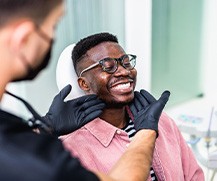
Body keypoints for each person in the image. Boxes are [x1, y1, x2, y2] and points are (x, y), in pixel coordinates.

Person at [0, 0, 170, 180]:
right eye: (54, 26)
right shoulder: (50, 157)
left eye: (126, 62)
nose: (122, 71)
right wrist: (146, 132)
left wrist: (44, 127)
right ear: (24, 38)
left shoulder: (15, 138)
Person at [58, 32, 205, 181]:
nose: (124, 71)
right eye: (108, 66)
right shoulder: (72, 149)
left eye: (126, 63)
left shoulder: (160, 121)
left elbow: (194, 176)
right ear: (84, 83)